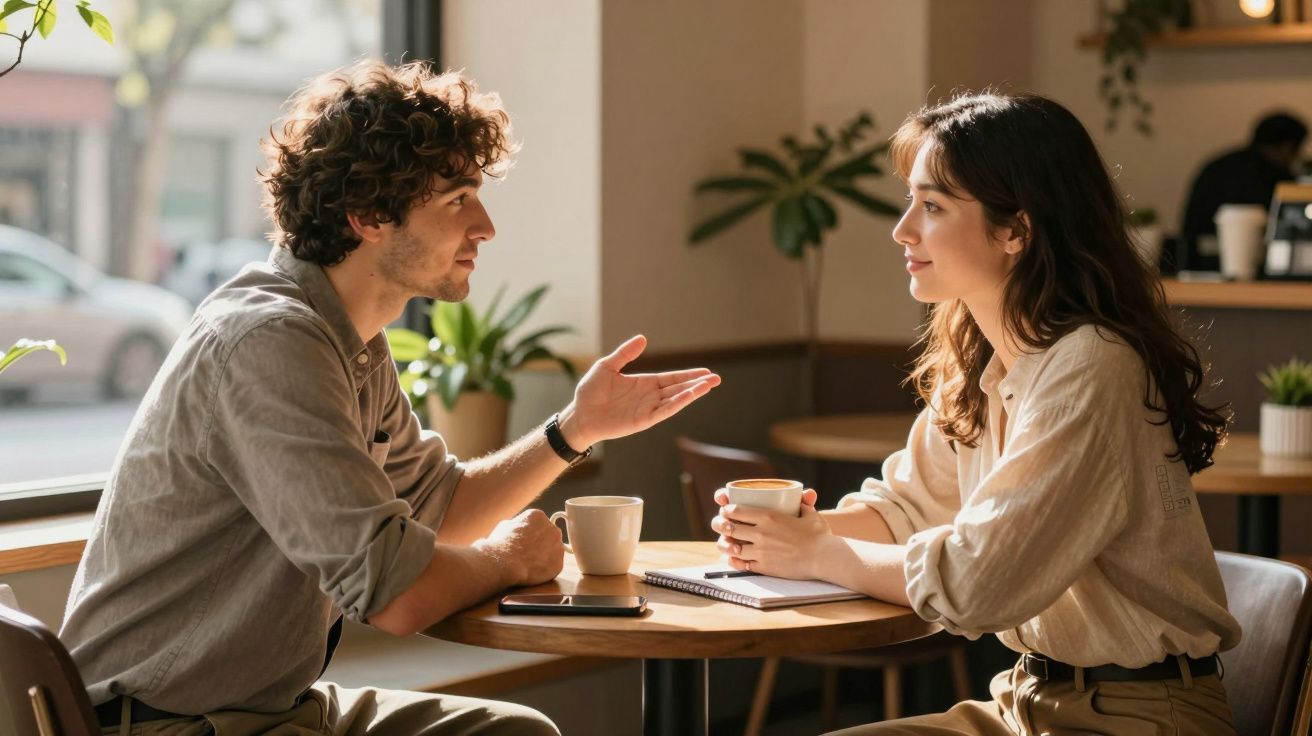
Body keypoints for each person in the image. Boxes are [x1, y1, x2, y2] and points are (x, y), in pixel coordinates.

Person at [60, 60, 720, 736]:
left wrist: (574, 428)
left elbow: (441, 505)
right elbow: (396, 595)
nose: (485, 226)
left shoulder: (349, 341)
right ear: (369, 215)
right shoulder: (270, 343)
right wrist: (509, 560)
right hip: (167, 725)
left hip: (268, 711)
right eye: (457, 200)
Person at [712, 92, 1242, 734]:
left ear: (1016, 230)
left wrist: (818, 552)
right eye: (910, 201)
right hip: (1025, 701)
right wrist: (787, 533)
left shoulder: (1091, 365)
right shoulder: (982, 361)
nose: (903, 230)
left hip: (1138, 718)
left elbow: (976, 582)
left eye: (933, 206)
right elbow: (908, 509)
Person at [1179, 111, 1308, 271]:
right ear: (1287, 146)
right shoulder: (1271, 175)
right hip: (1246, 261)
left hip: (1194, 261)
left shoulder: (1220, 166)